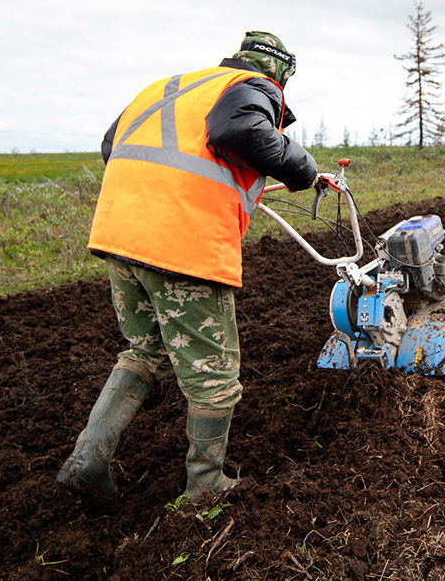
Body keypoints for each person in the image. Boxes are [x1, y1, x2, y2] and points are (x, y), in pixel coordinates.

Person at [57, 31, 318, 502]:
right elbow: (239, 132)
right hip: (179, 245)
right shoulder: (254, 86)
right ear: (279, 70)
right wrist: (302, 166)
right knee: (214, 377)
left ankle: (87, 459)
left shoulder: (169, 88)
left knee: (148, 351)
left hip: (119, 236)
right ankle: (205, 487)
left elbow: (110, 144)